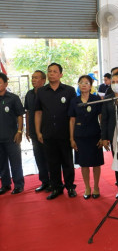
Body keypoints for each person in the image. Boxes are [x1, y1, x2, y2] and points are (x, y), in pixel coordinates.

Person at [35, 63, 77, 200]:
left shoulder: (69, 91)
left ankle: (70, 186)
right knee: (52, 163)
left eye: (54, 71)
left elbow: (73, 115)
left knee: (67, 162)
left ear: (61, 75)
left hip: (64, 133)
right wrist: (38, 132)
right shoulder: (41, 91)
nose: (51, 73)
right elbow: (38, 113)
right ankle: (56, 187)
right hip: (48, 133)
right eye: (49, 71)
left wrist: (73, 134)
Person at [69, 75, 104, 199]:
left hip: (95, 135)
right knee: (83, 164)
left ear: (90, 86)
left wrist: (103, 136)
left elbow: (101, 118)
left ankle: (96, 187)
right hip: (80, 136)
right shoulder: (74, 101)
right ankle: (87, 187)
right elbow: (72, 120)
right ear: (78, 85)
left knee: (96, 163)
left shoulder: (96, 99)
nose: (84, 85)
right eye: (81, 82)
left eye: (86, 83)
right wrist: (72, 139)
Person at [25, 70, 50, 192]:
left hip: (46, 131)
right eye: (32, 78)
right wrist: (27, 130)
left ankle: (53, 182)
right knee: (38, 157)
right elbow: (28, 112)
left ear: (43, 80)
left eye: (36, 78)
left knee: (49, 157)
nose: (33, 80)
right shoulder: (29, 94)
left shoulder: (47, 93)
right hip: (34, 133)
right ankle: (44, 182)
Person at [0, 72, 25, 195]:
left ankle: (19, 184)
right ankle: (5, 185)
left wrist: (20, 131)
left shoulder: (13, 98)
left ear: (5, 83)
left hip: (12, 137)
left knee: (15, 162)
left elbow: (20, 115)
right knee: (2, 163)